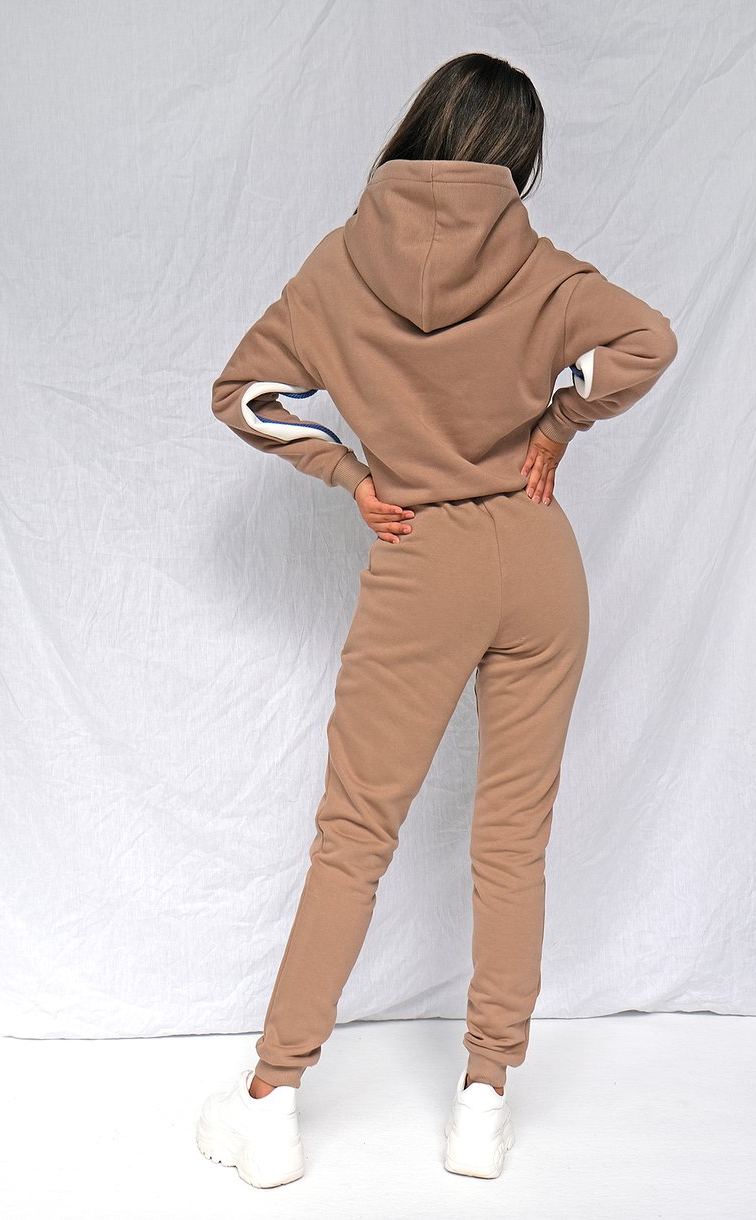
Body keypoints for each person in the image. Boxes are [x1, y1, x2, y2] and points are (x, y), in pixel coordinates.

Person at [195, 52, 679, 1189]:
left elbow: (244, 394)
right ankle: (483, 1100)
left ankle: (271, 1100)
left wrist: (349, 473)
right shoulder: (539, 268)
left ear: (419, 125)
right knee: (513, 836)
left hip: (422, 560)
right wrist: (556, 427)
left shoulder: (338, 264)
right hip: (537, 553)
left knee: (355, 833)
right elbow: (648, 340)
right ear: (517, 161)